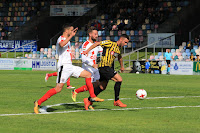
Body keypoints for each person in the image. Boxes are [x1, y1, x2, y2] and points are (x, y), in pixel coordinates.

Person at [34, 24, 104, 114]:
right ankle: (38, 102)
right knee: (58, 89)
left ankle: (92, 96)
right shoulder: (61, 38)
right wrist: (71, 36)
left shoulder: (68, 39)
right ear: (66, 31)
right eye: (71, 30)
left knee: (88, 74)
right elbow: (62, 44)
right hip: (64, 67)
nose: (73, 32)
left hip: (70, 66)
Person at [82, 34, 130, 110]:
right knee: (119, 79)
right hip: (104, 67)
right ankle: (117, 100)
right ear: (121, 39)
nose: (126, 44)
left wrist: (122, 66)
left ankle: (88, 100)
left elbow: (119, 57)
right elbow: (97, 43)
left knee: (102, 87)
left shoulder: (119, 48)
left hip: (106, 68)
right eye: (125, 42)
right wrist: (87, 51)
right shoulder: (110, 43)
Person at [71, 26, 102, 103]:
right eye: (95, 34)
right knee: (91, 85)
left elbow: (102, 51)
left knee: (97, 85)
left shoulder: (96, 44)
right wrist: (92, 64)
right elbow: (83, 58)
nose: (97, 36)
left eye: (97, 34)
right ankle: (89, 101)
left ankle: (77, 92)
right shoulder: (86, 44)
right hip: (88, 67)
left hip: (95, 67)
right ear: (90, 34)